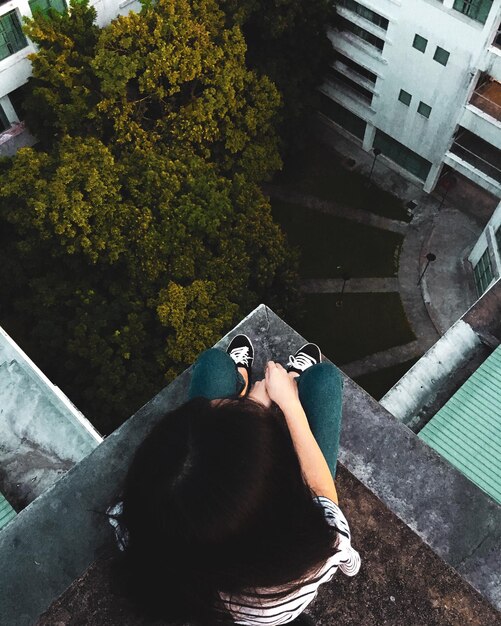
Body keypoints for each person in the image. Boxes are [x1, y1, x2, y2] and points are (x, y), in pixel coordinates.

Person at [108, 335, 360, 625]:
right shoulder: (301, 567)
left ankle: (239, 382)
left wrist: (251, 410)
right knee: (324, 378)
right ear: (276, 487)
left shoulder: (138, 524)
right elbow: (324, 498)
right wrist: (288, 404)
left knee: (213, 363)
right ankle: (276, 384)